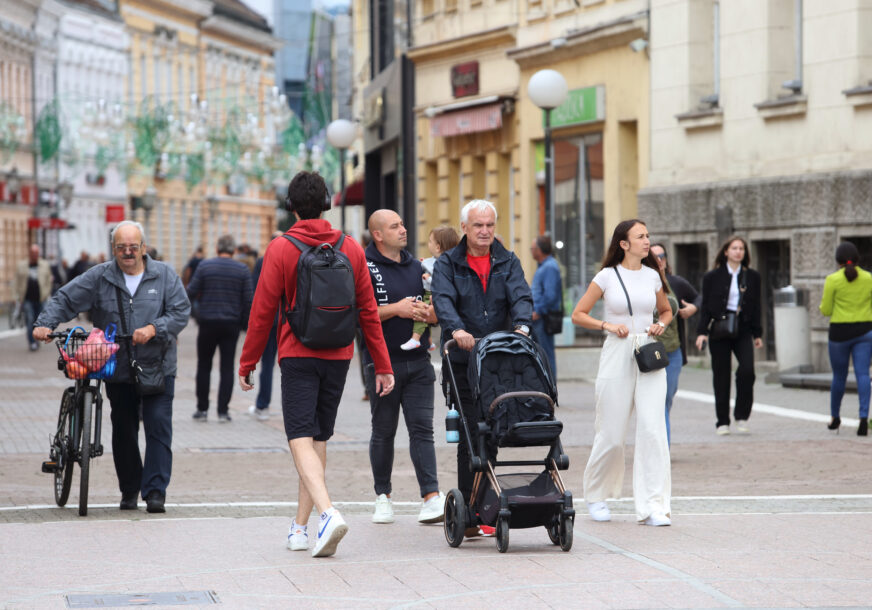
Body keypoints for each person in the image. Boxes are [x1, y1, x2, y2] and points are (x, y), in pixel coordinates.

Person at [238, 171, 394, 558]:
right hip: (339, 355)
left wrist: (249, 360)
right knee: (318, 437)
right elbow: (369, 313)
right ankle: (299, 528)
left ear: (291, 207)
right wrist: (382, 364)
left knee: (298, 436)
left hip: (298, 354)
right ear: (327, 203)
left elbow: (262, 313)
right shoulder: (350, 247)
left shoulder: (281, 248)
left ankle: (327, 513)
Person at [33, 220, 190, 513]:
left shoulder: (165, 275)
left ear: (144, 247)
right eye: (121, 248)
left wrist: (155, 328)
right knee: (124, 428)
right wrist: (44, 324)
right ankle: (130, 489)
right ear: (114, 249)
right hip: (116, 365)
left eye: (133, 247)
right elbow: (66, 298)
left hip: (157, 365)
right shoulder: (101, 276)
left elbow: (181, 311)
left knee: (158, 428)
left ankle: (155, 492)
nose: (128, 253)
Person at [431, 199, 533, 525]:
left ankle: (486, 505)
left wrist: (522, 327)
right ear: (464, 228)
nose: (485, 231)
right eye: (478, 225)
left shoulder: (507, 260)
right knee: (471, 432)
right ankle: (472, 512)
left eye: (490, 225)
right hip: (463, 360)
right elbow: (443, 299)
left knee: (493, 431)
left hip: (498, 361)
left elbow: (521, 296)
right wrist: (456, 328)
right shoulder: (449, 263)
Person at [571, 219, 673, 526]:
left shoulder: (653, 277)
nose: (647, 241)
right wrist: (607, 325)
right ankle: (597, 494)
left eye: (647, 235)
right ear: (624, 244)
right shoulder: (606, 276)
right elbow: (578, 314)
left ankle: (653, 505)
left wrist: (661, 325)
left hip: (649, 352)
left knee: (653, 430)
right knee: (612, 433)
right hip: (617, 351)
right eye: (640, 236)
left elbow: (667, 310)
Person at [364, 209, 444, 525]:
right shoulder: (365, 268)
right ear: (379, 235)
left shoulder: (418, 267)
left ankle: (431, 497)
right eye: (395, 226)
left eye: (403, 223)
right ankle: (382, 497)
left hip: (420, 363)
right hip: (382, 365)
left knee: (422, 430)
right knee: (384, 432)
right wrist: (395, 309)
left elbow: (438, 312)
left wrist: (431, 314)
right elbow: (360, 314)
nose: (403, 229)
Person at [694, 235, 763, 436]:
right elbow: (705, 307)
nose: (738, 251)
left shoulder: (753, 277)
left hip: (743, 328)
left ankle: (741, 416)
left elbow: (757, 306)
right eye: (734, 248)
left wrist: (757, 333)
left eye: (741, 248)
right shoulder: (712, 277)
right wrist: (701, 332)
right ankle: (722, 421)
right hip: (720, 329)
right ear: (726, 252)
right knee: (721, 376)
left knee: (747, 371)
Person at [187, 234, 253, 423]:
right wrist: (244, 324)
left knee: (204, 366)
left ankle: (202, 409)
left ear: (217, 249)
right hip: (230, 324)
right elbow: (249, 300)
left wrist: (196, 315)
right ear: (233, 250)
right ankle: (223, 411)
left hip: (207, 322)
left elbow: (190, 292)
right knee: (226, 367)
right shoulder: (242, 270)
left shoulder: (205, 266)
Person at [650, 244, 701, 446]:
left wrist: (693, 308)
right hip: (649, 352)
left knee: (667, 398)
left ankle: (660, 436)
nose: (658, 260)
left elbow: (699, 296)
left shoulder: (675, 283)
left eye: (661, 256)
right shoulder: (641, 283)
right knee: (659, 401)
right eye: (653, 257)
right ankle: (663, 448)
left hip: (673, 352)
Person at [819, 241, 872, 436]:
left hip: (839, 334)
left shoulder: (832, 280)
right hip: (865, 332)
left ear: (838, 260)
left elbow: (825, 310)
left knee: (839, 377)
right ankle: (864, 418)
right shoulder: (869, 278)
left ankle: (835, 418)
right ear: (857, 258)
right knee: (863, 375)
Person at [400, 225, 459, 352]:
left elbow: (442, 281)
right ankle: (429, 341)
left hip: (432, 293)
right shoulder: (438, 260)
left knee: (421, 315)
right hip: (431, 293)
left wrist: (428, 279)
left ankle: (415, 339)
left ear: (438, 247)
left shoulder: (443, 264)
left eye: (430, 241)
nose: (428, 244)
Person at [248, 231, 284, 422]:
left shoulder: (262, 262)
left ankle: (263, 405)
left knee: (267, 365)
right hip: (289, 320)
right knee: (292, 366)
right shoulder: (294, 258)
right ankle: (293, 407)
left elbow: (257, 293)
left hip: (270, 320)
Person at [530, 234, 562, 376]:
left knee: (546, 355)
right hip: (540, 317)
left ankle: (550, 390)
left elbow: (550, 295)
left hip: (543, 318)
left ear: (539, 250)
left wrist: (538, 311)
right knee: (541, 354)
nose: (531, 250)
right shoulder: (544, 266)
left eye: (532, 248)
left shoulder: (549, 267)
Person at [16, 244, 52, 351]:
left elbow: (48, 280)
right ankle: (32, 342)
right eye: (33, 253)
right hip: (27, 299)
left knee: (39, 321)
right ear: (30, 254)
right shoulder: (22, 265)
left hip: (41, 298)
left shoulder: (44, 264)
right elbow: (17, 281)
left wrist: (46, 293)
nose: (35, 255)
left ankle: (37, 339)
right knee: (29, 320)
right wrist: (17, 297)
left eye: (37, 253)